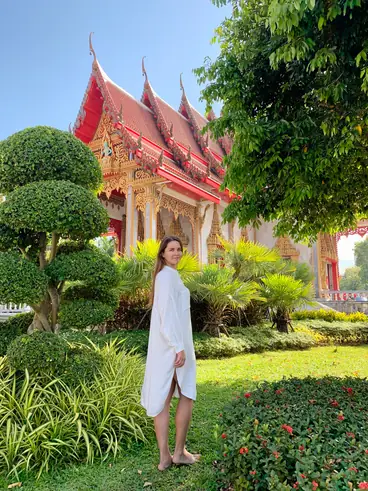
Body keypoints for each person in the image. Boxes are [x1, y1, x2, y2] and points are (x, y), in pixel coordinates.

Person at [141, 235, 198, 471]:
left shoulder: (169, 276)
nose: (176, 253)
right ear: (162, 253)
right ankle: (176, 453)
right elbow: (166, 314)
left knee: (165, 398)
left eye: (179, 249)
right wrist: (178, 346)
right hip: (174, 346)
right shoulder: (166, 277)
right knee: (186, 394)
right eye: (171, 249)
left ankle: (168, 456)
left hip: (170, 345)